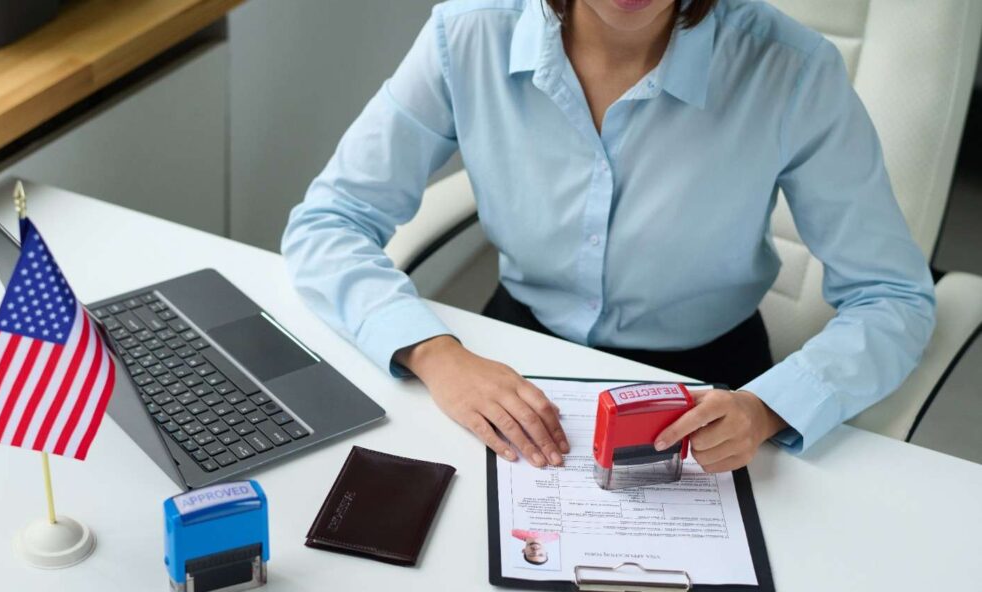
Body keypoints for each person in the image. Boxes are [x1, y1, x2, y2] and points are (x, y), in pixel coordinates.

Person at [282, 0, 935, 473]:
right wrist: (434, 353)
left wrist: (769, 407)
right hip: (507, 355)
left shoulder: (791, 70)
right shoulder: (468, 33)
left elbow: (894, 297)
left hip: (710, 386)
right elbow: (329, 220)